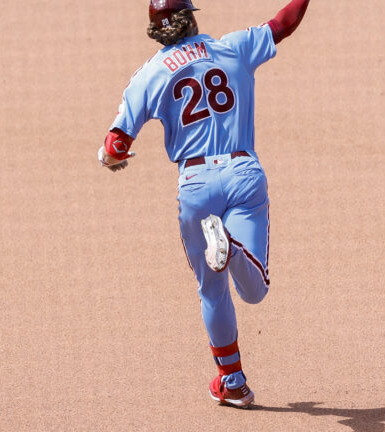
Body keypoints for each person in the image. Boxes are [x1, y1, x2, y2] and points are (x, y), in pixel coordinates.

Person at [97, 0, 310, 408]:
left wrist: (111, 157)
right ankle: (230, 248)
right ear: (192, 17)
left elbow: (117, 143)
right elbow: (284, 22)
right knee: (254, 291)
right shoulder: (233, 46)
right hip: (242, 172)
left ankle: (233, 382)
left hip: (194, 185)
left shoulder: (149, 75)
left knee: (211, 291)